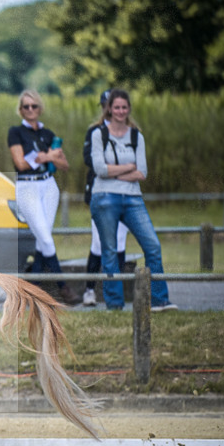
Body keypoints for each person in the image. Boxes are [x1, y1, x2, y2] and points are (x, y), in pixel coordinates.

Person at [89, 89, 177, 312]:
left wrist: (113, 172)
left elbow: (142, 173)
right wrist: (129, 167)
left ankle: (159, 300)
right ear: (109, 109)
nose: (120, 111)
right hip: (104, 197)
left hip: (132, 198)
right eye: (116, 107)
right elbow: (99, 170)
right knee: (110, 252)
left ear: (129, 109)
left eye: (124, 107)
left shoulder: (137, 136)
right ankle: (114, 304)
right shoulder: (98, 134)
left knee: (152, 246)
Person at [7, 89, 79, 304]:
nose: (30, 109)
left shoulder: (48, 134)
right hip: (27, 186)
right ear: (21, 110)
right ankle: (63, 286)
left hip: (48, 186)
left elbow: (64, 165)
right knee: (46, 238)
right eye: (26, 106)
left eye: (34, 106)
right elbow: (21, 163)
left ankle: (33, 289)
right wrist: (48, 156)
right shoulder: (16, 132)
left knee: (42, 238)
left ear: (40, 108)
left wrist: (44, 157)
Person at [82, 89, 129, 307]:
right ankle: (89, 289)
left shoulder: (129, 132)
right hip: (100, 192)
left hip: (124, 191)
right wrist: (118, 166)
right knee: (98, 242)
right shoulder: (95, 131)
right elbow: (90, 160)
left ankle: (116, 289)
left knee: (120, 241)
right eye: (107, 106)